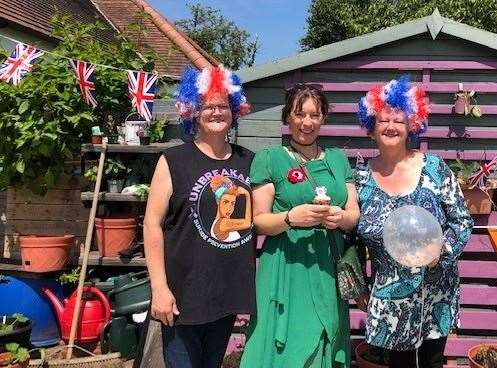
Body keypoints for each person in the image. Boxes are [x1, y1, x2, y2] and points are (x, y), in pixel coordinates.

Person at [355, 77, 473, 368]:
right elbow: (351, 237)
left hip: (435, 290)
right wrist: (357, 288)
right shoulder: (359, 179)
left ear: (412, 126)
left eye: (399, 120)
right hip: (389, 292)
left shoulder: (434, 168)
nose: (391, 126)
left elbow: (461, 220)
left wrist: (440, 255)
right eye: (383, 120)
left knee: (432, 364)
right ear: (371, 127)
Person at [240, 84, 360, 368]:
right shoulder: (269, 159)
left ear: (323, 118)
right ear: (287, 117)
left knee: (325, 333)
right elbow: (258, 221)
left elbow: (353, 212)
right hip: (287, 263)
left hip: (328, 263)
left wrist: (341, 218)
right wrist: (290, 218)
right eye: (299, 114)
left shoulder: (338, 159)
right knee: (286, 343)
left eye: (314, 115)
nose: (307, 123)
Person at [143, 65, 255, 368]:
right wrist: (159, 288)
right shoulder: (173, 160)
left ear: (234, 110)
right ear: (193, 111)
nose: (216, 112)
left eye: (223, 106)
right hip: (182, 296)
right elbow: (151, 225)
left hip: (226, 293)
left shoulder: (249, 162)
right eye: (208, 106)